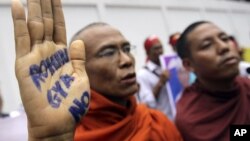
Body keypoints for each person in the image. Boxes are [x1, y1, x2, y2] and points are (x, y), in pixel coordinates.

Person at [11, 0, 183, 140]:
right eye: (108, 53)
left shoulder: (157, 122)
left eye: (127, 49)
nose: (126, 61)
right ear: (79, 67)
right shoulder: (67, 132)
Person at [175, 21, 250, 141]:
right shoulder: (193, 118)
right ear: (188, 65)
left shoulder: (246, 85)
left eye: (225, 39)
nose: (224, 47)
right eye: (206, 45)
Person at [137, 35, 174, 119]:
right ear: (147, 52)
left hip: (177, 116)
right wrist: (160, 83)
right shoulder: (142, 74)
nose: (160, 51)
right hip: (163, 120)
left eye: (160, 47)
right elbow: (146, 103)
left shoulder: (168, 66)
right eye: (156, 49)